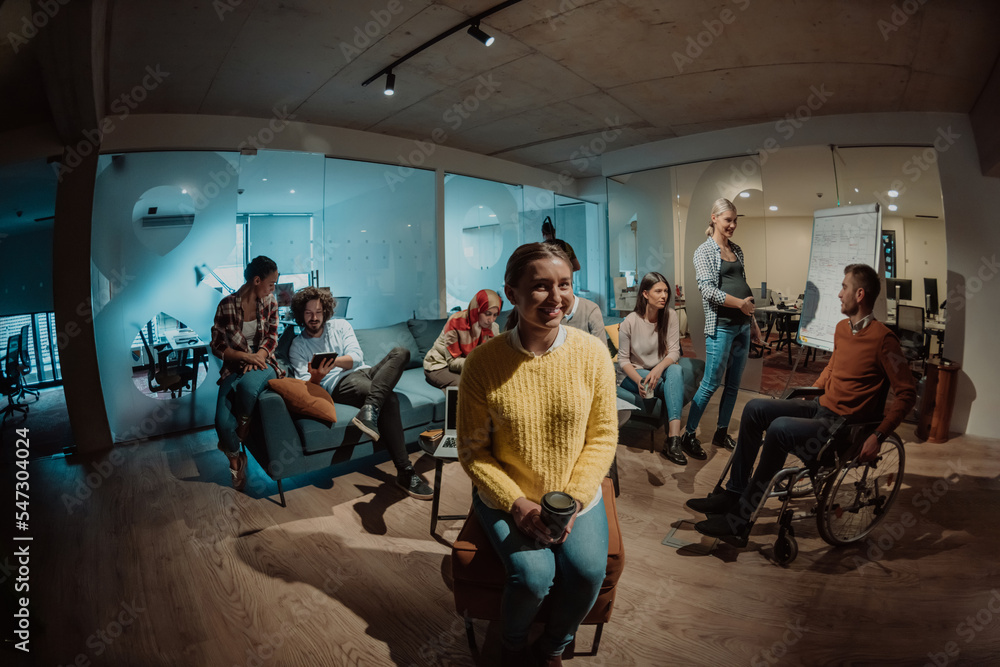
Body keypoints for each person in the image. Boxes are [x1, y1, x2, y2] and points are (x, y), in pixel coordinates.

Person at [457, 243, 617, 666]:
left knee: (586, 574)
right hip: (507, 492)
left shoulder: (592, 353)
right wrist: (517, 504)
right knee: (532, 576)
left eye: (563, 285)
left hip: (574, 495)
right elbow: (473, 452)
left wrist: (578, 497)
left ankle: (551, 648)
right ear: (511, 293)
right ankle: (510, 646)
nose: (556, 297)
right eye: (540, 286)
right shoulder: (482, 363)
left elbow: (602, 436)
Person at [689, 264, 917, 545]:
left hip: (843, 426)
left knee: (780, 429)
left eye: (843, 288)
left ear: (859, 294)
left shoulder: (884, 340)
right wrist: (806, 395)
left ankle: (740, 521)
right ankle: (734, 493)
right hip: (820, 407)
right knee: (755, 409)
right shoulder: (842, 329)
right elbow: (832, 370)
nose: (838, 294)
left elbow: (907, 394)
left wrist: (878, 435)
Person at [288, 287, 433, 500]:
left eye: (318, 312)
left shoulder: (340, 325)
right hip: (340, 384)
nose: (314, 317)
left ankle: (370, 408)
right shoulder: (297, 346)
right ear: (301, 314)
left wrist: (332, 360)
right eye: (308, 313)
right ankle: (406, 472)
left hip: (364, 371)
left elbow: (356, 357)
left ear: (325, 311)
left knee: (401, 353)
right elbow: (306, 385)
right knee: (390, 399)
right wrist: (318, 375)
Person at [681, 197, 763, 460]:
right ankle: (688, 435)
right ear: (714, 218)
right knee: (710, 383)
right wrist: (740, 304)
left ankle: (721, 431)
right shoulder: (703, 251)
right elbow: (707, 290)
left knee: (733, 385)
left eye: (735, 221)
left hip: (741, 326)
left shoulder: (737, 249)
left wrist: (752, 323)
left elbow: (743, 284)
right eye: (728, 220)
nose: (732, 225)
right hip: (721, 327)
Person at [210, 256, 285, 491]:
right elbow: (217, 345)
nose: (273, 288)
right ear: (256, 280)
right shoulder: (226, 304)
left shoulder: (270, 302)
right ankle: (236, 460)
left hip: (265, 364)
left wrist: (258, 356)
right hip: (235, 367)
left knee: (247, 387)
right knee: (221, 423)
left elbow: (273, 336)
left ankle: (244, 424)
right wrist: (244, 357)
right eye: (271, 283)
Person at [617, 271, 687, 465]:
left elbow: (674, 352)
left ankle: (673, 440)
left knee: (676, 370)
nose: (664, 295)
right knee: (671, 384)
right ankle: (673, 440)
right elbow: (623, 361)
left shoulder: (670, 316)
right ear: (645, 294)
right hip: (634, 373)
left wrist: (657, 370)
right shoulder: (630, 321)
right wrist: (640, 380)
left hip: (659, 371)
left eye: (665, 291)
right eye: (658, 291)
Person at [422, 289, 502, 389]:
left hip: (468, 365)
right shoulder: (455, 323)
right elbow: (452, 362)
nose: (491, 319)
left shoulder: (493, 328)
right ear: (477, 309)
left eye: (495, 315)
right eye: (488, 313)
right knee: (465, 386)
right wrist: (479, 364)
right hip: (440, 365)